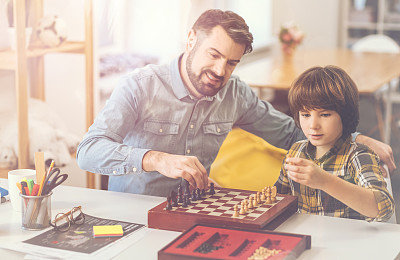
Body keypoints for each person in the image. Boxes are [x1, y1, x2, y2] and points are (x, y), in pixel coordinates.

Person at [77, 9, 395, 197]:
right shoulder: (140, 86)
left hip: (197, 208)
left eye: (231, 63)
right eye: (213, 55)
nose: (220, 71)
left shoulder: (235, 94)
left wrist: (355, 138)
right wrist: (158, 159)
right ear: (191, 40)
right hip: (133, 215)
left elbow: (289, 134)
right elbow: (88, 152)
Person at [274, 66, 394, 221]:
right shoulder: (296, 151)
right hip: (305, 236)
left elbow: (382, 208)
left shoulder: (358, 155)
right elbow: (279, 197)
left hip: (349, 241)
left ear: (345, 115)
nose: (313, 125)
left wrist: (325, 181)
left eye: (325, 114)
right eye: (305, 115)